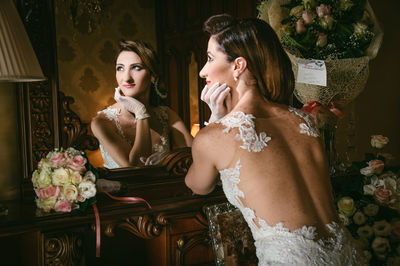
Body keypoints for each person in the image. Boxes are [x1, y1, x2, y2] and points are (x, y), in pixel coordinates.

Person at [185, 14, 365, 265]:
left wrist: (215, 119)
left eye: (209, 58)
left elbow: (198, 185)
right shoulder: (303, 120)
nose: (203, 70)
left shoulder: (215, 136)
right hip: (348, 253)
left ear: (238, 65)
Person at [91, 40, 193, 168]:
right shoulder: (101, 122)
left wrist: (169, 159)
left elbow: (197, 155)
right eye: (120, 68)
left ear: (153, 76)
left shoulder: (165, 115)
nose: (126, 78)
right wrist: (140, 112)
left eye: (136, 67)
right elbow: (134, 167)